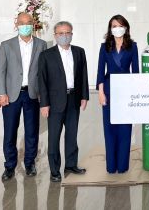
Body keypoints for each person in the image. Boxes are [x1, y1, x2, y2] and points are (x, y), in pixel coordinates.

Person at [0, 12, 47, 181]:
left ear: (33, 24)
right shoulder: (6, 45)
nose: (25, 26)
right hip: (11, 96)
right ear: (16, 24)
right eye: (22, 23)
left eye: (28, 22)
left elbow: (43, 72)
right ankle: (10, 166)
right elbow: (0, 71)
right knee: (10, 131)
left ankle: (30, 163)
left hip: (32, 94)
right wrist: (1, 93)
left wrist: (43, 94)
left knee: (32, 131)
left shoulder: (41, 44)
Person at [38, 21, 89, 182]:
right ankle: (54, 170)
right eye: (61, 33)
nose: (64, 36)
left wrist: (84, 96)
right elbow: (42, 81)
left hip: (74, 99)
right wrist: (44, 104)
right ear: (55, 36)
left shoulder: (79, 52)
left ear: (72, 34)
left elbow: (83, 75)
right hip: (54, 102)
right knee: (54, 137)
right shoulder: (46, 55)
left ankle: (71, 165)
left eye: (67, 33)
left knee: (72, 135)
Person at [97, 14, 139, 174]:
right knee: (109, 128)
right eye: (114, 26)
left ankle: (122, 165)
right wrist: (101, 93)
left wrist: (135, 94)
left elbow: (136, 71)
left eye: (120, 26)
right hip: (109, 89)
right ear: (110, 29)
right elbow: (100, 71)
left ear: (126, 28)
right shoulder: (104, 46)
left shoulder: (132, 46)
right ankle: (111, 165)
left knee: (125, 128)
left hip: (127, 89)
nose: (117, 28)